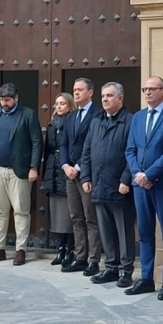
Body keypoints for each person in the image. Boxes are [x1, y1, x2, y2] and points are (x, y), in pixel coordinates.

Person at [124, 75, 163, 299]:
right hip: (140, 185)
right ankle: (147, 278)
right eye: (145, 89)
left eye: (152, 89)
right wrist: (138, 174)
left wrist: (150, 174)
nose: (148, 92)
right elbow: (130, 149)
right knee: (145, 233)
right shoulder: (138, 117)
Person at [0, 83, 42, 266]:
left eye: (7, 99)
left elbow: (37, 141)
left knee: (21, 211)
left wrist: (34, 167)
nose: (4, 103)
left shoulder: (28, 114)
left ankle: (20, 249)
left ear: (16, 98)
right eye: (1, 99)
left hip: (19, 170)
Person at [82, 82, 135, 287]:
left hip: (120, 187)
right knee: (105, 230)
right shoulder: (95, 122)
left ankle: (126, 270)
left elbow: (134, 153)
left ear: (120, 99)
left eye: (110, 96)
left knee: (123, 231)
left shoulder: (130, 121)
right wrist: (86, 178)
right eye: (103, 96)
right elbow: (86, 152)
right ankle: (111, 267)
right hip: (99, 186)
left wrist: (125, 179)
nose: (105, 99)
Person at [59, 77, 102, 276]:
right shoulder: (71, 117)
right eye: (74, 90)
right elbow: (64, 144)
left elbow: (94, 145)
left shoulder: (98, 114)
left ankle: (94, 260)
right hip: (70, 174)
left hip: (87, 173)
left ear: (90, 92)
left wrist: (79, 167)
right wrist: (66, 165)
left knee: (90, 217)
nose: (76, 93)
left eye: (80, 90)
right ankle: (80, 257)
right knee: (76, 217)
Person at [43, 93, 76, 266]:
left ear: (70, 106)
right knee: (56, 214)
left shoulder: (72, 123)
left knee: (68, 215)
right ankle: (60, 249)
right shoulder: (51, 124)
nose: (59, 106)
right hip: (52, 171)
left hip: (66, 169)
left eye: (62, 103)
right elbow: (47, 149)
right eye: (56, 103)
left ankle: (70, 250)